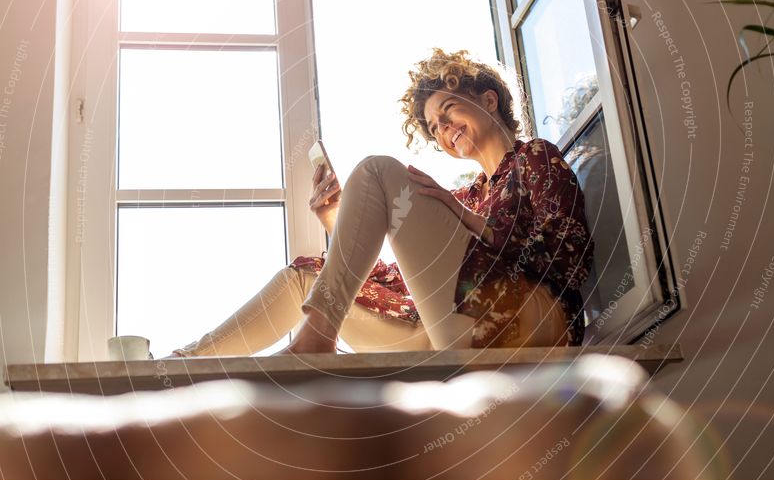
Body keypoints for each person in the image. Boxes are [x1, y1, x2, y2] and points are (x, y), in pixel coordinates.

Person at [170, 48, 594, 357]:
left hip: (536, 321)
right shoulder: (466, 195)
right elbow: (399, 283)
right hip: (460, 330)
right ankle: (179, 370)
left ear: (488, 100)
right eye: (434, 127)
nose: (444, 128)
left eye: (448, 111)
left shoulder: (534, 158)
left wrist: (465, 217)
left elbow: (569, 254)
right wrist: (336, 221)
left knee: (377, 171)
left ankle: (316, 341)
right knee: (306, 278)